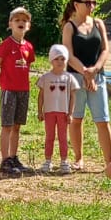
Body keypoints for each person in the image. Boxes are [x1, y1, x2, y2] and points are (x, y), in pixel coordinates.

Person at [61, 0, 111, 172]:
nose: (91, 6)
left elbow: (105, 50)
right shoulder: (69, 27)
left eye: (93, 2)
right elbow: (68, 54)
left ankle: (110, 162)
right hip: (75, 78)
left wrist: (95, 70)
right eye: (87, 2)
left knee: (103, 120)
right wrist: (85, 73)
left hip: (97, 77)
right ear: (76, 5)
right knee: (76, 119)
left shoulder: (98, 24)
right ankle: (79, 158)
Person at [0, 7, 35, 177]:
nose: (21, 23)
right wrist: (2, 84)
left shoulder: (28, 47)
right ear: (10, 24)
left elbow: (28, 66)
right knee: (7, 126)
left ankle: (13, 157)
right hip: (9, 91)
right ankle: (4, 160)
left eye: (24, 21)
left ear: (28, 25)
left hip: (23, 90)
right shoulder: (6, 45)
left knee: (17, 125)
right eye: (17, 20)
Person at [36, 44, 75, 173]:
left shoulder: (69, 78)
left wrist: (70, 113)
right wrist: (39, 111)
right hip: (49, 113)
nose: (59, 62)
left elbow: (73, 96)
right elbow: (40, 95)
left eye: (62, 59)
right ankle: (48, 161)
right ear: (51, 60)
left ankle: (64, 161)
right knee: (49, 137)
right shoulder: (45, 78)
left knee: (63, 137)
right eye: (56, 59)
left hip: (63, 113)